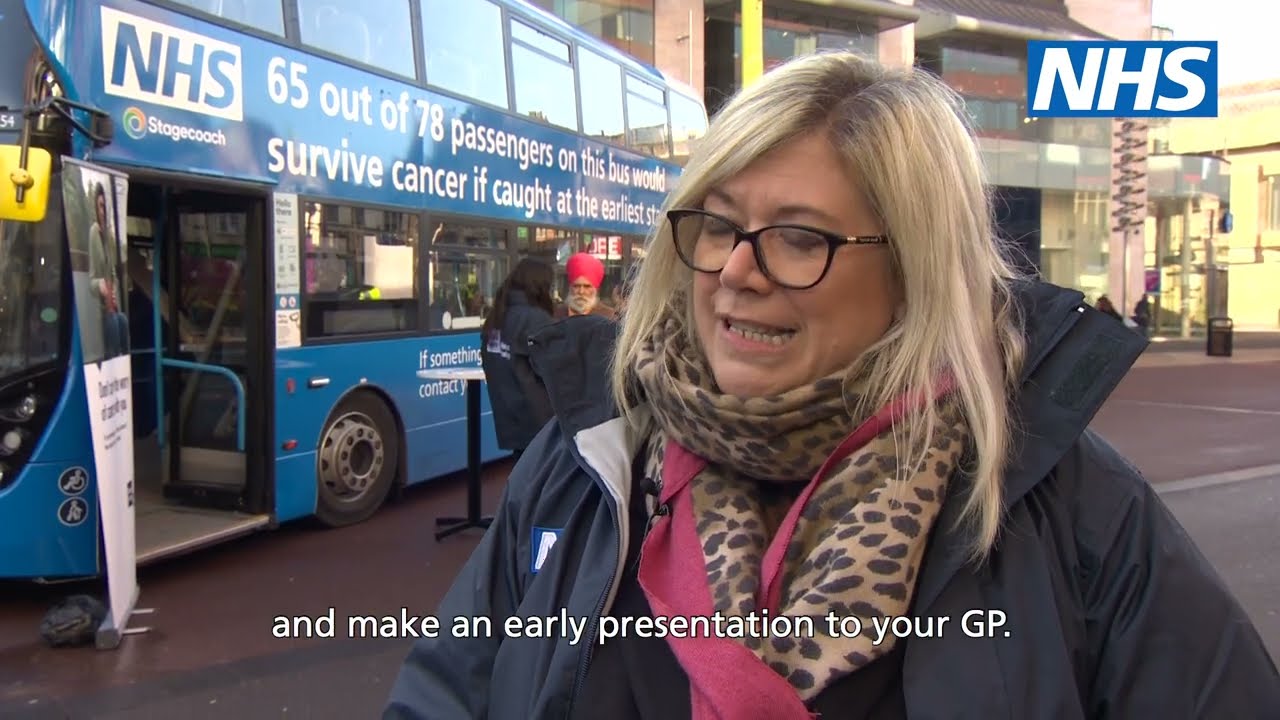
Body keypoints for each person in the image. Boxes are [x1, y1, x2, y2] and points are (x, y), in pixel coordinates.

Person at [386, 52, 1279, 719]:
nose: (737, 271)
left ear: (915, 271)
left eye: (800, 238)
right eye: (719, 225)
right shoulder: (583, 465)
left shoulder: (1071, 511)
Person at [478, 258, 557, 459]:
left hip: (509, 417)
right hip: (540, 422)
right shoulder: (537, 320)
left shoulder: (496, 317)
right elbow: (554, 371)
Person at [87, 183, 128, 360]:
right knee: (113, 323)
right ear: (96, 208)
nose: (103, 211)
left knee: (123, 321)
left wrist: (114, 294)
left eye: (106, 207)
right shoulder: (94, 233)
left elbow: (115, 268)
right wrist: (102, 287)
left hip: (111, 305)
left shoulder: (108, 236)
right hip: (99, 308)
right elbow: (92, 280)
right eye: (100, 206)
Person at [556, 252, 616, 319]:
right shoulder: (556, 315)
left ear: (596, 289)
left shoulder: (608, 317)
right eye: (576, 286)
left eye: (587, 287)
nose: (581, 292)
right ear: (570, 287)